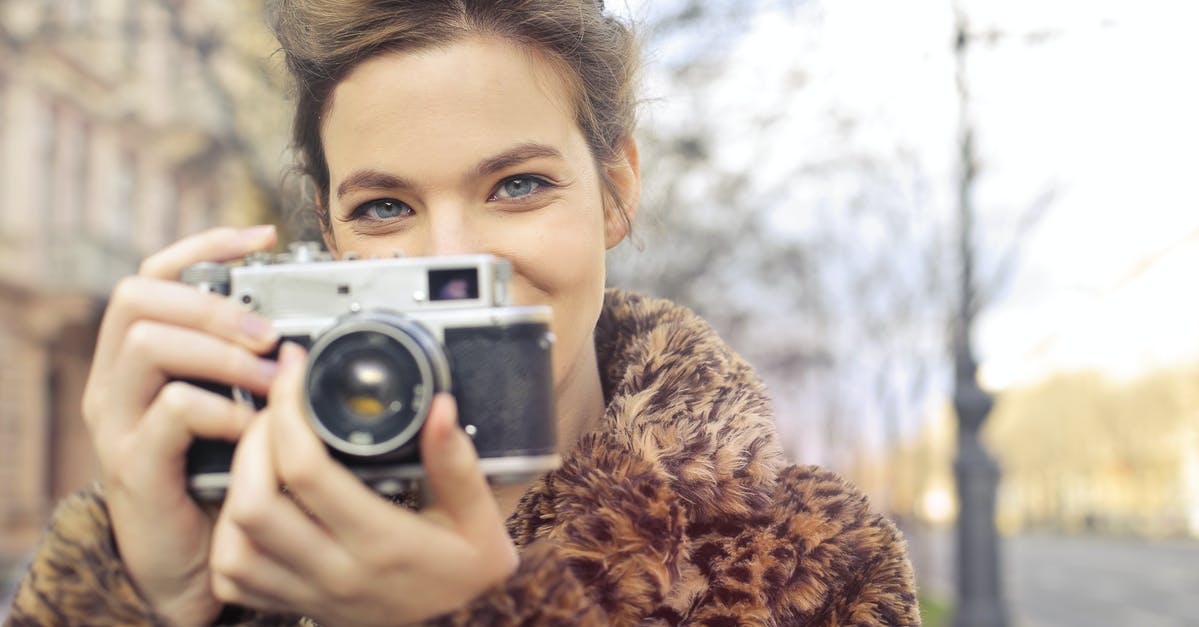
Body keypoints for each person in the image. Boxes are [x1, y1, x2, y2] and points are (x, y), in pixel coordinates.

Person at [7, 1, 920, 625]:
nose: (454, 256)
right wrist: (147, 596)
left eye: (517, 185)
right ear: (327, 235)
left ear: (615, 191)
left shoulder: (812, 567)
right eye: (384, 207)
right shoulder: (242, 540)